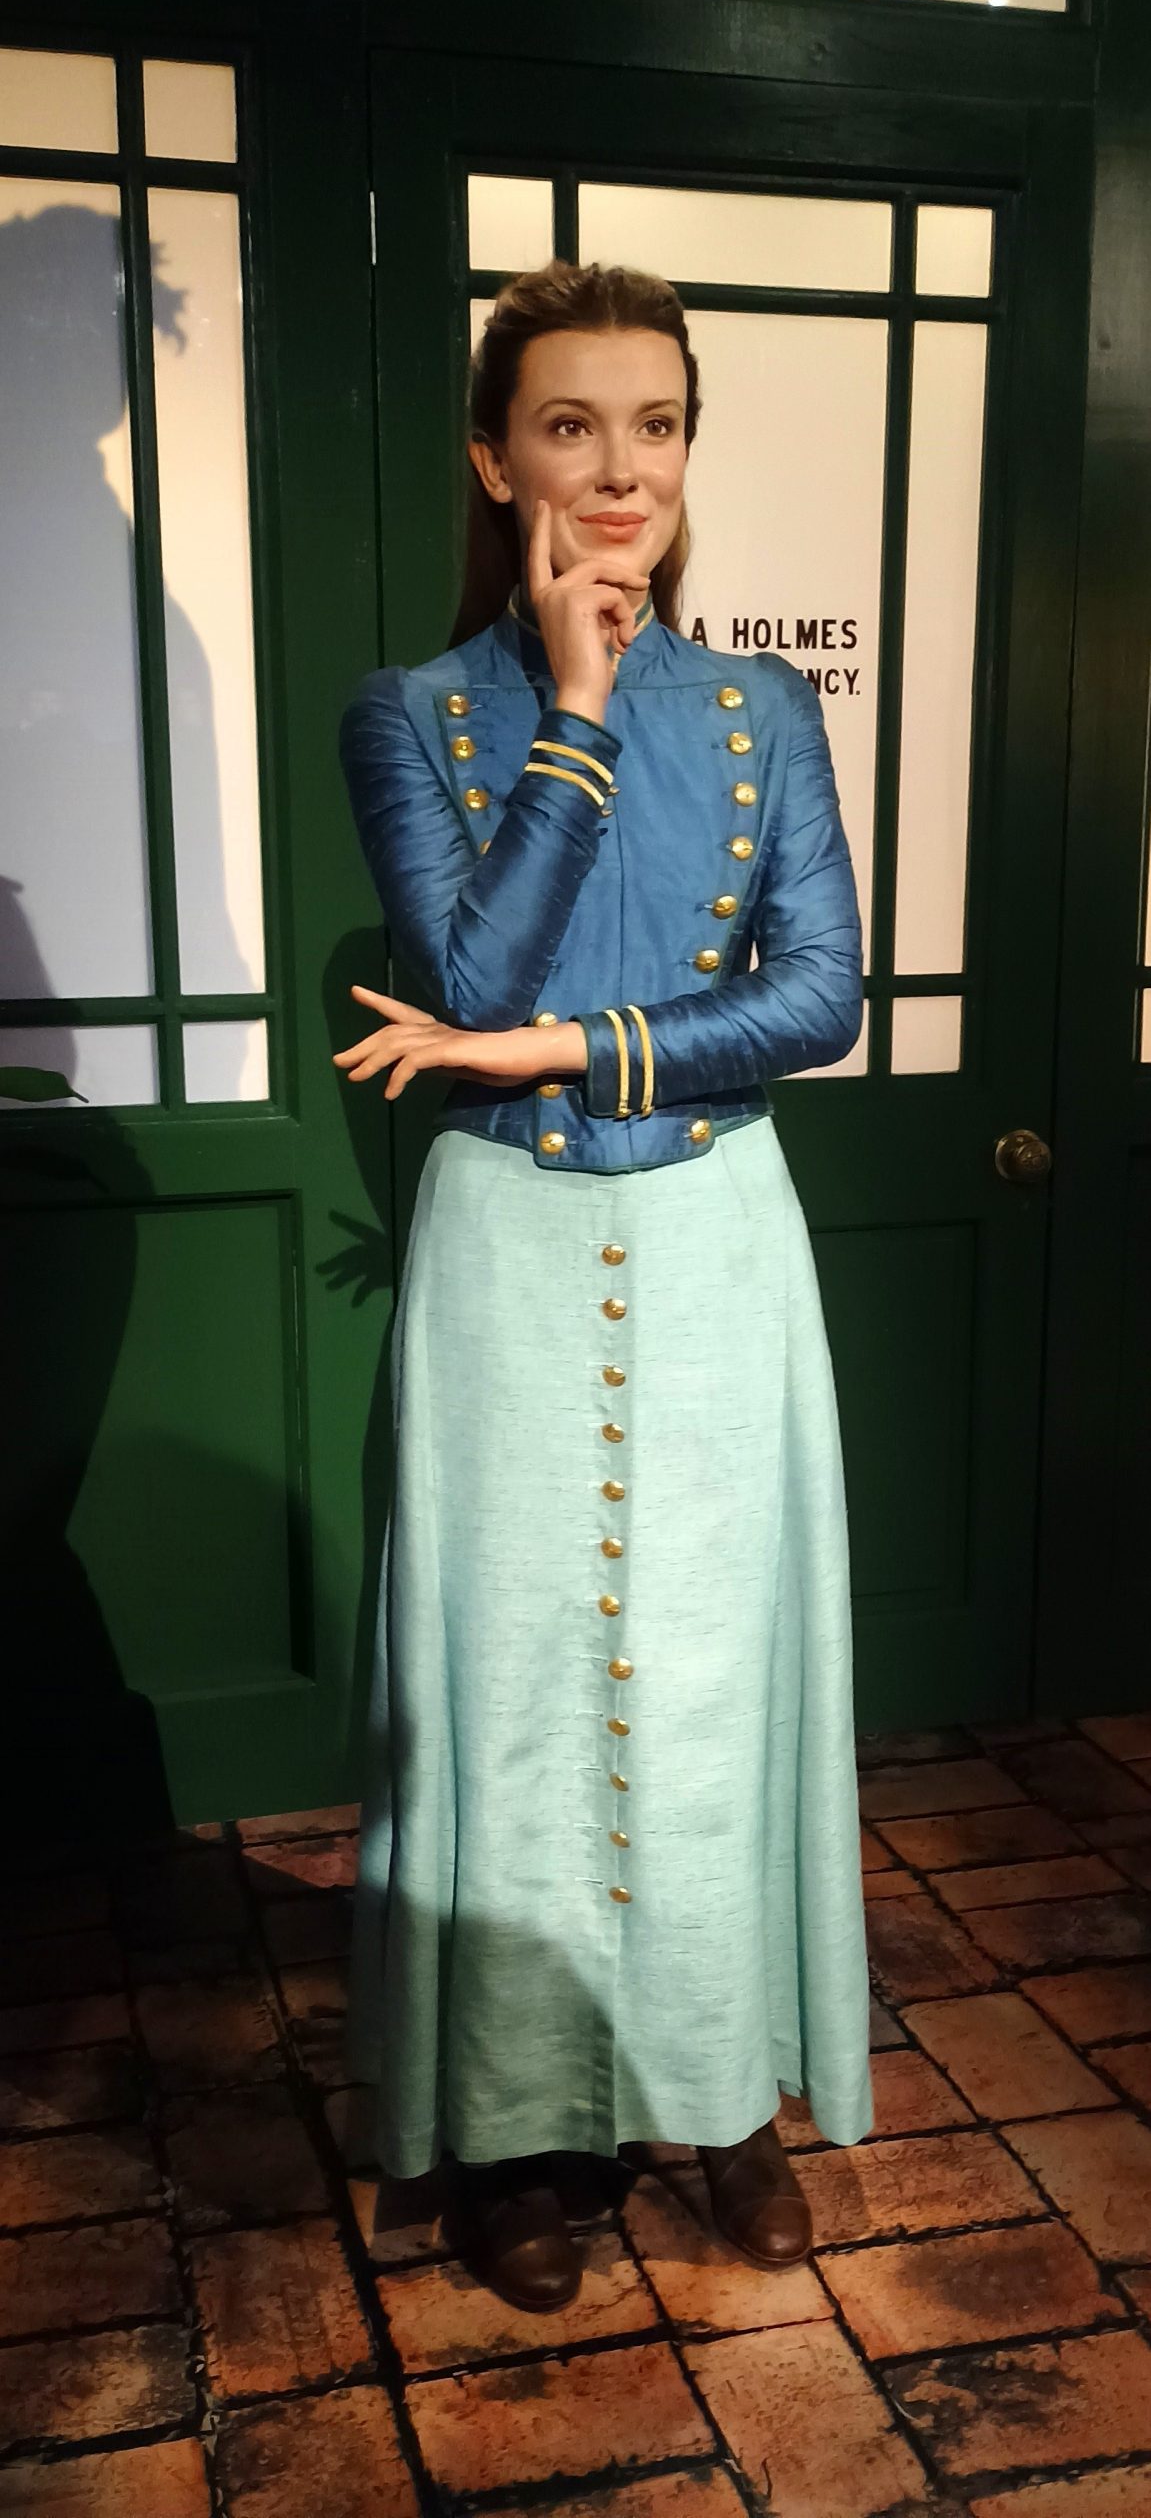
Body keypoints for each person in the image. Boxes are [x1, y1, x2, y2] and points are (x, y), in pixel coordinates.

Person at [334, 257, 874, 2315]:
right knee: (515, 1690)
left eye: (657, 423)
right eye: (571, 424)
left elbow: (816, 1000)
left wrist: (565, 1046)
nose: (621, 466)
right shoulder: (411, 715)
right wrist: (568, 709)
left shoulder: (766, 714)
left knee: (718, 1681)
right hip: (511, 1258)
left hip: (722, 1240)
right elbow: (465, 970)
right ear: (499, 460)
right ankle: (517, 2134)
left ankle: (720, 2097)